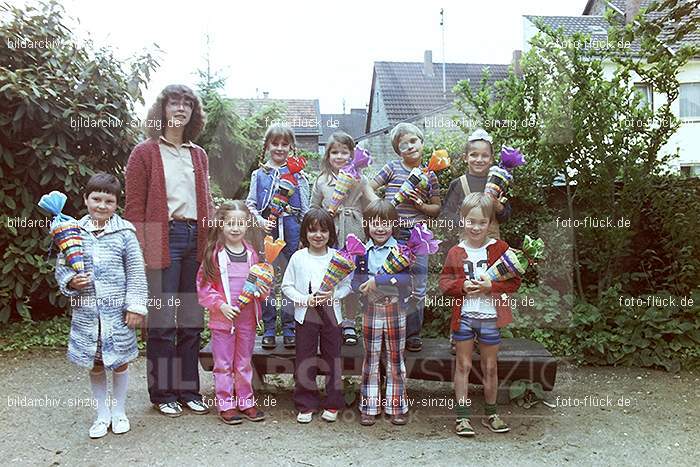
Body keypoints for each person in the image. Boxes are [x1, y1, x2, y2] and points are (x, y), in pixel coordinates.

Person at [124, 84, 213, 417]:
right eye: (174, 103)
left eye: (187, 104)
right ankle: (162, 393)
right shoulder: (144, 153)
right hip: (163, 237)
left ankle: (188, 390)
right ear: (162, 110)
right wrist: (140, 249)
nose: (181, 108)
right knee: (161, 321)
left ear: (193, 113)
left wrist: (210, 240)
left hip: (196, 239)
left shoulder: (198, 154)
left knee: (191, 319)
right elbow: (134, 207)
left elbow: (205, 202)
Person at [54, 173, 148, 438]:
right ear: (85, 199)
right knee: (95, 363)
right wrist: (72, 280)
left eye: (109, 201)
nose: (102, 206)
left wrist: (136, 306)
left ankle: (119, 412)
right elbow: (62, 267)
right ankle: (101, 414)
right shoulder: (72, 232)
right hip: (87, 314)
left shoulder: (125, 233)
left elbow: (136, 272)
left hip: (117, 313)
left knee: (119, 362)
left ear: (116, 204)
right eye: (96, 199)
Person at [438, 193, 521, 437]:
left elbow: (514, 282)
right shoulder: (455, 251)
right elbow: (445, 282)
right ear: (462, 220)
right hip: (464, 317)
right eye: (471, 221)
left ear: (491, 223)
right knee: (462, 365)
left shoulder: (500, 249)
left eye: (482, 222)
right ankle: (462, 417)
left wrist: (490, 288)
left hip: (490, 318)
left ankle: (491, 413)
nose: (476, 227)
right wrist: (461, 286)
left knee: (490, 367)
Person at [370, 122, 441, 352]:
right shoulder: (392, 167)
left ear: (422, 142)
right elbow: (370, 186)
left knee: (418, 287)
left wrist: (420, 204)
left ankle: (413, 334)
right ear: (397, 150)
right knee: (395, 283)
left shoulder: (430, 176)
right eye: (404, 144)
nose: (410, 147)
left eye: (414, 141)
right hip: (395, 234)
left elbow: (436, 209)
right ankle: (393, 329)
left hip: (419, 235)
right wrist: (383, 208)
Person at [196, 201, 269, 424]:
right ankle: (226, 404)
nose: (235, 228)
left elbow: (259, 284)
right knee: (223, 364)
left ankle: (246, 401)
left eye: (240, 223)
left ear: (247, 225)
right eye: (230, 223)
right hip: (223, 321)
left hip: (247, 319)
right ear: (221, 224)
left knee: (244, 362)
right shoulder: (214, 255)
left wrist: (262, 291)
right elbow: (203, 287)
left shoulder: (251, 254)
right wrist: (221, 305)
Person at [281, 208, 351, 423]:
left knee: (333, 358)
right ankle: (305, 403)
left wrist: (334, 295)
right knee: (305, 358)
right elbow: (287, 286)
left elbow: (347, 285)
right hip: (306, 313)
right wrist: (304, 299)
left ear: (331, 233)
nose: (318, 235)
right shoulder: (298, 257)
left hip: (331, 314)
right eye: (312, 231)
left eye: (323, 230)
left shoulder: (338, 257)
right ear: (305, 233)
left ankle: (332, 402)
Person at [246, 123, 309, 349]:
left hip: (292, 229)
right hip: (268, 232)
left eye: (285, 144)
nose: (280, 148)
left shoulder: (299, 175)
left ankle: (291, 327)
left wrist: (304, 234)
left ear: (291, 147)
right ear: (267, 146)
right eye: (275, 143)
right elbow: (250, 205)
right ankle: (270, 328)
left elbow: (306, 207)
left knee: (292, 278)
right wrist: (261, 221)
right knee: (267, 280)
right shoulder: (259, 174)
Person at [310, 131, 377, 345]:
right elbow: (313, 207)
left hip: (354, 231)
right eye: (334, 152)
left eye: (345, 152)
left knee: (351, 278)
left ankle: (349, 322)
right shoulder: (321, 180)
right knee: (328, 275)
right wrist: (321, 219)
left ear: (352, 154)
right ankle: (328, 320)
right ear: (328, 155)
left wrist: (387, 208)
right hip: (330, 232)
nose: (339, 157)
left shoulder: (361, 177)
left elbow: (371, 203)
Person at [351, 200, 411, 426]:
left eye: (385, 223)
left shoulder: (401, 251)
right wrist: (364, 286)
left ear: (393, 225)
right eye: (375, 223)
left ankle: (396, 405)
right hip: (371, 310)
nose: (380, 228)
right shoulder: (362, 251)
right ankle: (370, 405)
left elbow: (405, 280)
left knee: (395, 358)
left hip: (395, 309)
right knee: (372, 358)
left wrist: (378, 280)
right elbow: (356, 281)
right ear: (367, 226)